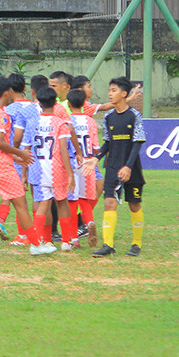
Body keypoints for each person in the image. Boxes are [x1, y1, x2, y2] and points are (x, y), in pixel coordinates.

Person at [0, 75, 50, 258]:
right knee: (21, 203)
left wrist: (15, 156)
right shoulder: (2, 115)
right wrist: (20, 153)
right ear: (7, 93)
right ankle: (36, 244)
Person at [87, 77, 146, 258]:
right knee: (109, 203)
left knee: (134, 205)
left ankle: (136, 244)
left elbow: (137, 143)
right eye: (109, 90)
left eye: (113, 90)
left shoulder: (134, 116)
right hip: (112, 167)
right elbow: (108, 143)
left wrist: (128, 167)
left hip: (131, 167)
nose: (110, 94)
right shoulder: (108, 117)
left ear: (124, 94)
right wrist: (96, 158)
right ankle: (108, 245)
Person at [0, 73, 36, 242]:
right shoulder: (34, 108)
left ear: (9, 91)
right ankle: (40, 231)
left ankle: (22, 233)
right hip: (34, 156)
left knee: (15, 197)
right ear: (25, 88)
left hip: (15, 156)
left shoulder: (7, 111)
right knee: (36, 197)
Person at [34, 87, 76, 251]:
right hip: (56, 167)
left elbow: (29, 147)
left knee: (43, 203)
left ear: (39, 103)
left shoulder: (34, 122)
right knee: (62, 202)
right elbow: (64, 149)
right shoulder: (60, 123)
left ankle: (38, 241)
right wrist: (70, 173)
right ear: (55, 103)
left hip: (39, 168)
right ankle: (66, 241)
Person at [67, 88, 99, 247]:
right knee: (84, 199)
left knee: (72, 201)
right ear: (84, 104)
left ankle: (74, 239)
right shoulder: (90, 121)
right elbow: (96, 147)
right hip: (88, 162)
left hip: (73, 162)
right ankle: (90, 222)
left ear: (68, 103)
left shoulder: (67, 121)